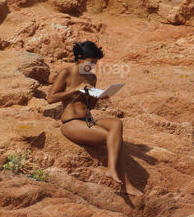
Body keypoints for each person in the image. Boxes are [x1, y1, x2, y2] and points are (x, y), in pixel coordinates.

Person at [46, 41, 142, 196]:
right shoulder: (66, 73)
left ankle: (115, 173)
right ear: (79, 58)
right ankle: (125, 182)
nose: (92, 66)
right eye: (90, 62)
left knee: (116, 123)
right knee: (112, 138)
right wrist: (74, 91)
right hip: (71, 123)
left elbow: (89, 106)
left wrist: (98, 95)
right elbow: (51, 98)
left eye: (95, 63)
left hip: (88, 120)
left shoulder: (91, 77)